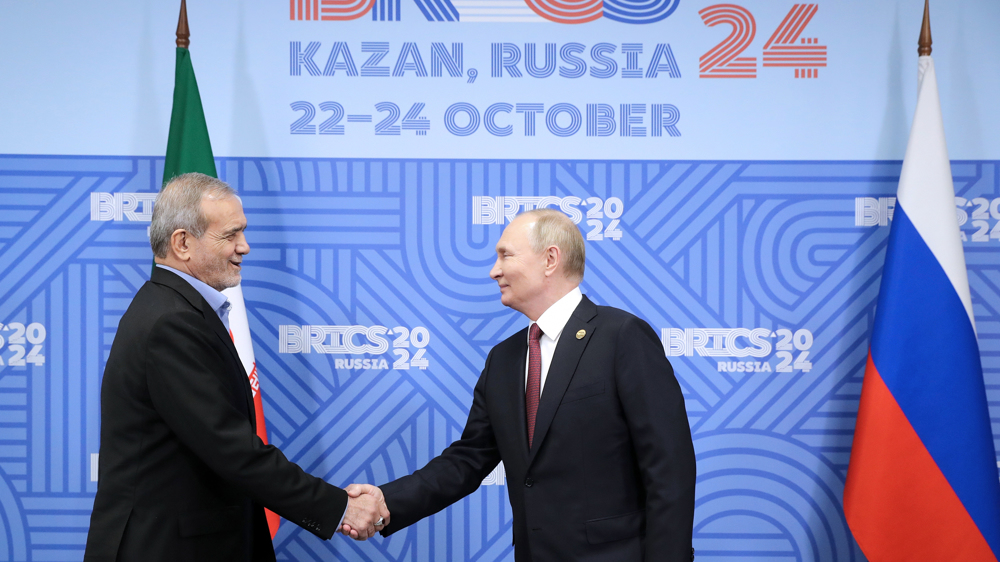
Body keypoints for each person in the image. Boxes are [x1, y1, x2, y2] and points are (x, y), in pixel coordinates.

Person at [344, 209, 697, 560]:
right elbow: (467, 460)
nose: (493, 270)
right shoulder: (504, 359)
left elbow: (669, 470)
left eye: (505, 255)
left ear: (550, 259)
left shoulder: (622, 337)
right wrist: (387, 500)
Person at [84, 173, 388, 562]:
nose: (244, 247)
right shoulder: (172, 323)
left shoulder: (176, 310)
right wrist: (339, 507)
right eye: (230, 235)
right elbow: (234, 450)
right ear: (182, 243)